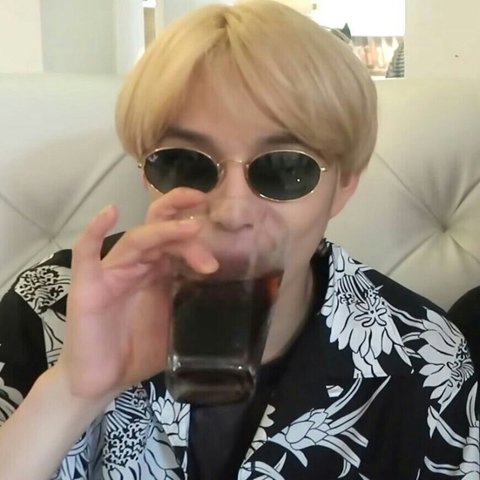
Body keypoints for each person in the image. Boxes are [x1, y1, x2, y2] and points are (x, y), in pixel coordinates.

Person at [0, 1, 478, 479]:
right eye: (186, 163)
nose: (232, 211)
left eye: (285, 168)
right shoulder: (49, 305)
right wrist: (71, 391)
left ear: (345, 184)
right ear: (146, 172)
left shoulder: (425, 356)